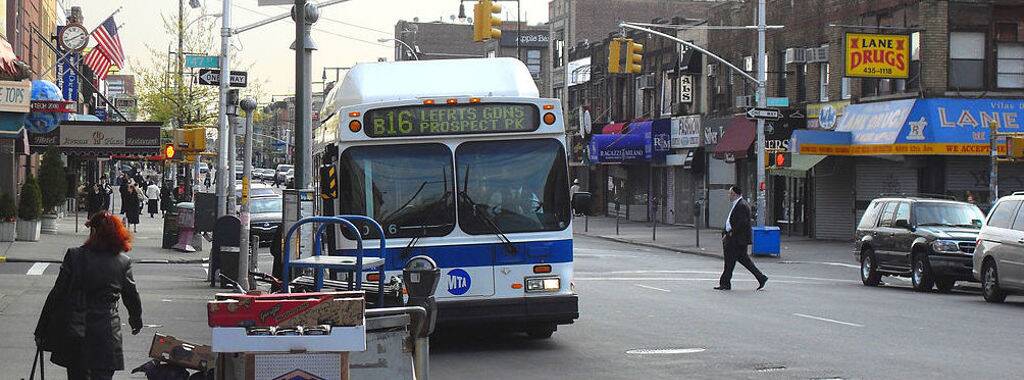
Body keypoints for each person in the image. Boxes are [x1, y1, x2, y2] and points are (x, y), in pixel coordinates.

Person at [34, 211, 143, 380]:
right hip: (107, 330)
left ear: (93, 232)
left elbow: (57, 294)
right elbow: (131, 295)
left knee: (77, 374)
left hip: (78, 329)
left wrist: (42, 329)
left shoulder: (75, 256)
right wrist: (135, 319)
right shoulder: (123, 262)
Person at [716, 186, 768, 291]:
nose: (729, 196)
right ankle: (761, 277)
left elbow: (741, 223)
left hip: (736, 240)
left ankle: (725, 283)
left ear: (735, 194)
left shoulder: (742, 205)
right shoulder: (738, 204)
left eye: (730, 194)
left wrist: (729, 233)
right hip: (736, 239)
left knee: (729, 262)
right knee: (744, 261)